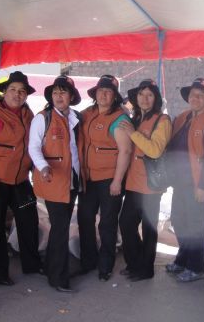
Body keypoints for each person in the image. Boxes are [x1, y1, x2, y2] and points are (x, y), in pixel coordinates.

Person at [0, 71, 42, 286]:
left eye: (22, 91)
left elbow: (32, 146)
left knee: (29, 221)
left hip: (21, 181)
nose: (17, 94)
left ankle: (32, 264)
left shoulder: (28, 114)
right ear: (4, 92)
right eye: (13, 90)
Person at [165, 78, 204, 282]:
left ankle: (197, 266)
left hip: (197, 181)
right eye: (193, 95)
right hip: (179, 180)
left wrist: (202, 186)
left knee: (195, 224)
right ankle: (183, 259)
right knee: (179, 221)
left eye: (201, 96)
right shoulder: (183, 117)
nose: (196, 98)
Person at [29, 75, 83, 293]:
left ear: (71, 96)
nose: (59, 96)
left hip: (72, 181)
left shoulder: (76, 118)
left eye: (63, 92)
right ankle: (58, 278)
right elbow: (33, 148)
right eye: (55, 92)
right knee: (60, 229)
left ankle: (51, 267)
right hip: (52, 181)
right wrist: (42, 167)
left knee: (60, 228)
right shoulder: (43, 118)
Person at [78, 75, 132, 281]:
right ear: (95, 93)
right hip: (88, 178)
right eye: (101, 90)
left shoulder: (120, 118)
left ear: (115, 96)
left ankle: (105, 266)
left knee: (107, 223)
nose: (103, 94)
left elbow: (125, 151)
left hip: (110, 180)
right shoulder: (87, 114)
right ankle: (87, 261)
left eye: (108, 91)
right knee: (85, 219)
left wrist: (117, 181)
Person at [118, 79, 172, 281]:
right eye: (141, 94)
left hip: (150, 185)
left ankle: (145, 269)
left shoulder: (162, 120)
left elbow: (155, 150)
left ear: (156, 98)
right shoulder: (136, 118)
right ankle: (134, 263)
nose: (145, 98)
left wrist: (133, 134)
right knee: (126, 224)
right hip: (133, 182)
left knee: (149, 230)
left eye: (149, 95)